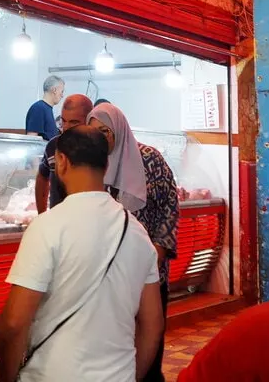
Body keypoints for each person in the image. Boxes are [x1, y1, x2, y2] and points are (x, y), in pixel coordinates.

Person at [0, 126, 166, 382]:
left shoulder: (47, 226)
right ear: (106, 165)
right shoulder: (138, 233)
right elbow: (153, 325)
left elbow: (14, 324)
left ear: (61, 161)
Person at [87, 102, 179, 382]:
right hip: (107, 273)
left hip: (148, 268)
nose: (102, 138)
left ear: (119, 130)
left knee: (149, 336)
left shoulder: (150, 159)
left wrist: (159, 250)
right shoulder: (92, 164)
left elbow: (169, 206)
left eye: (106, 130)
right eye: (95, 131)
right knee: (114, 343)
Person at [34, 94, 93, 214]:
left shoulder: (97, 148)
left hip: (86, 223)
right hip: (57, 220)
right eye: (63, 120)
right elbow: (42, 177)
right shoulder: (53, 146)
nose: (66, 127)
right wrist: (42, 215)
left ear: (89, 120)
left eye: (74, 122)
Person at [25, 75, 64, 140]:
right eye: (62, 91)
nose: (62, 95)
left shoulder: (47, 109)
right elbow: (31, 139)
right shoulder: (38, 108)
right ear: (54, 90)